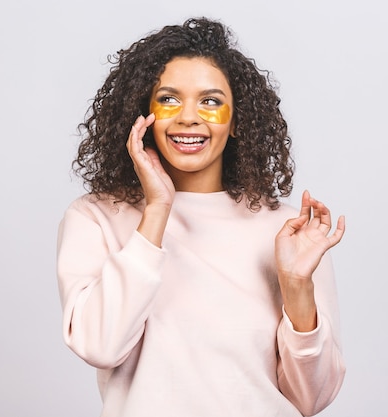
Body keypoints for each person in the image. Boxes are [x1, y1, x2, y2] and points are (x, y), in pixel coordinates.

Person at [56, 16, 346, 417]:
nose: (188, 117)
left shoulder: (289, 232)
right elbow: (100, 346)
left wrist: (297, 286)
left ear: (237, 120)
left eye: (210, 101)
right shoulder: (96, 218)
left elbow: (311, 399)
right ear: (143, 114)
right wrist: (157, 209)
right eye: (169, 99)